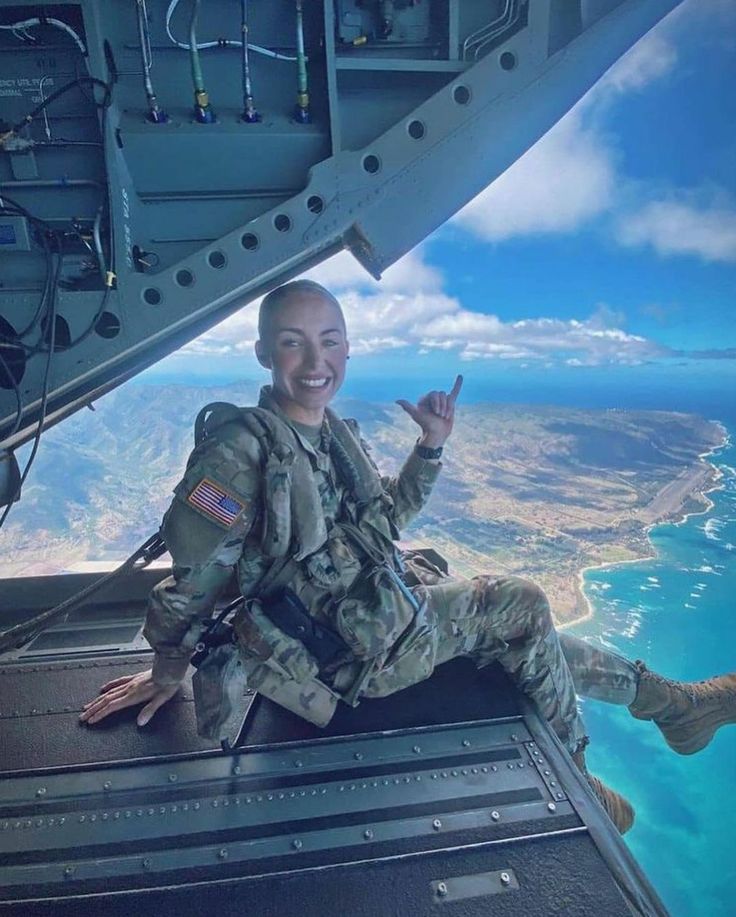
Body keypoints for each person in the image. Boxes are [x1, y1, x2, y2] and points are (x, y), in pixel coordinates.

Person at [81, 279, 736, 834]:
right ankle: (582, 775)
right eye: (293, 341)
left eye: (329, 340)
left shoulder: (331, 432)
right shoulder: (236, 452)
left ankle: (674, 705)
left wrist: (430, 446)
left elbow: (386, 518)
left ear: (347, 346)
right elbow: (194, 574)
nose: (316, 359)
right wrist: (167, 670)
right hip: (339, 653)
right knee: (523, 604)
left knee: (514, 633)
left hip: (378, 614)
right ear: (262, 352)